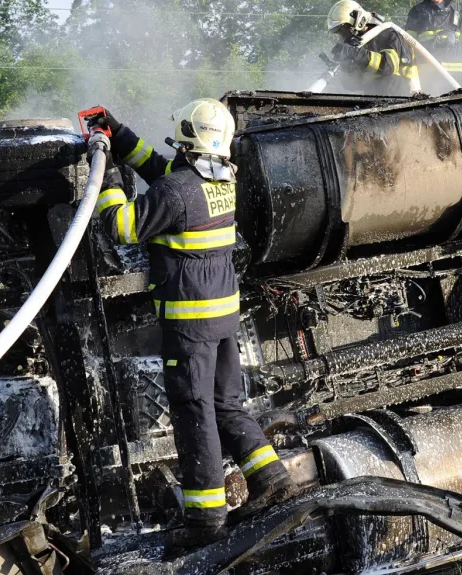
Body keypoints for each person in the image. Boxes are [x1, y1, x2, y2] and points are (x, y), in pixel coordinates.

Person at [86, 99, 296, 547]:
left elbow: (122, 226)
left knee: (193, 412)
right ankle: (272, 479)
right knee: (226, 404)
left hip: (190, 324)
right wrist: (118, 135)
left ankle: (205, 521)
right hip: (222, 316)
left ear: (187, 142)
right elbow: (163, 171)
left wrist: (107, 172)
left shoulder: (175, 192)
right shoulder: (219, 182)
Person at [327, 0, 418, 97]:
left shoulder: (388, 34)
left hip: (401, 97)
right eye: (339, 32)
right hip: (374, 99)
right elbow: (353, 85)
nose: (343, 36)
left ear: (358, 20)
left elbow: (388, 66)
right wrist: (346, 67)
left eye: (344, 29)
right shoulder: (361, 43)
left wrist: (357, 53)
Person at [405, 0, 462, 90]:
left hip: (456, 74)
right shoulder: (417, 11)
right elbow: (408, 43)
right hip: (428, 75)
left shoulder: (458, 11)